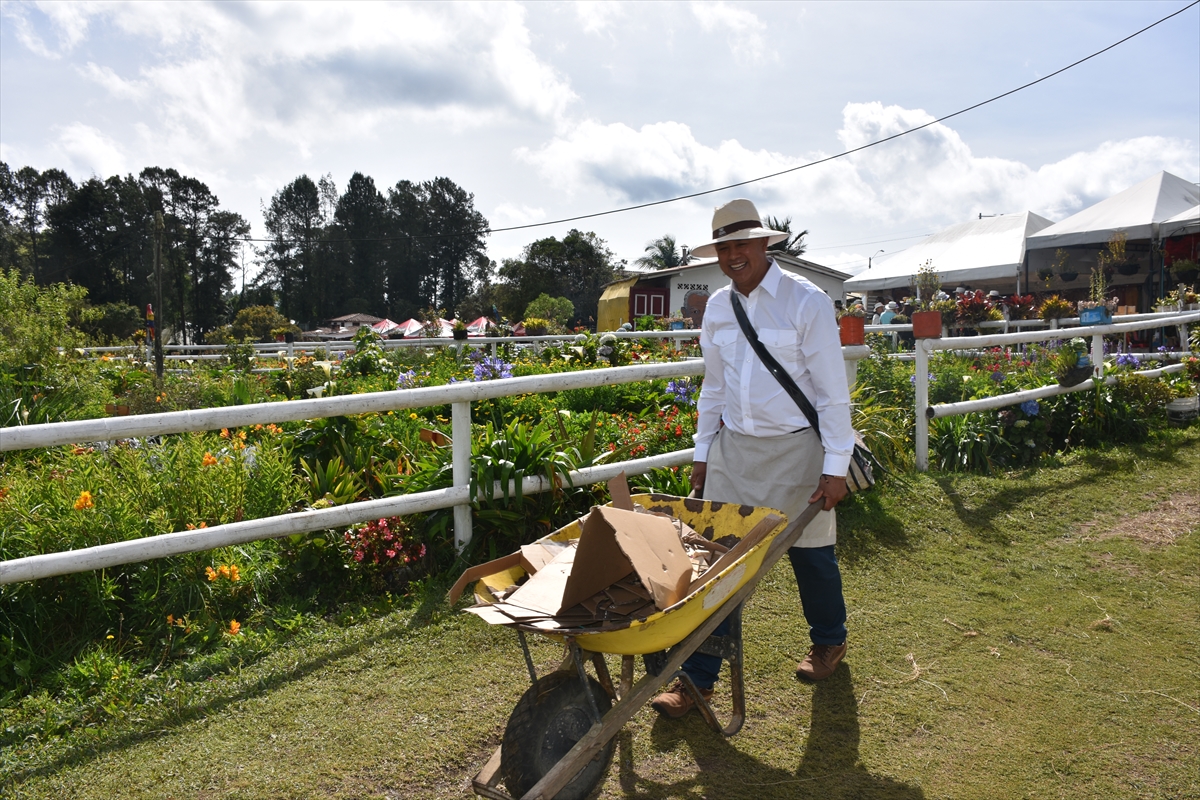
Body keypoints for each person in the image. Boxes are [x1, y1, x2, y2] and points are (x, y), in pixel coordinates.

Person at [651, 198, 854, 719]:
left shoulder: (806, 302)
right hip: (734, 451)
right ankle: (698, 682)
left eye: (743, 243)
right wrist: (702, 452)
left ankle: (829, 642)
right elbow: (713, 387)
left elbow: (832, 394)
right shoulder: (718, 307)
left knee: (811, 556)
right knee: (718, 564)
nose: (734, 254)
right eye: (724, 246)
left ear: (765, 243)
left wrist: (836, 467)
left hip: (797, 450)